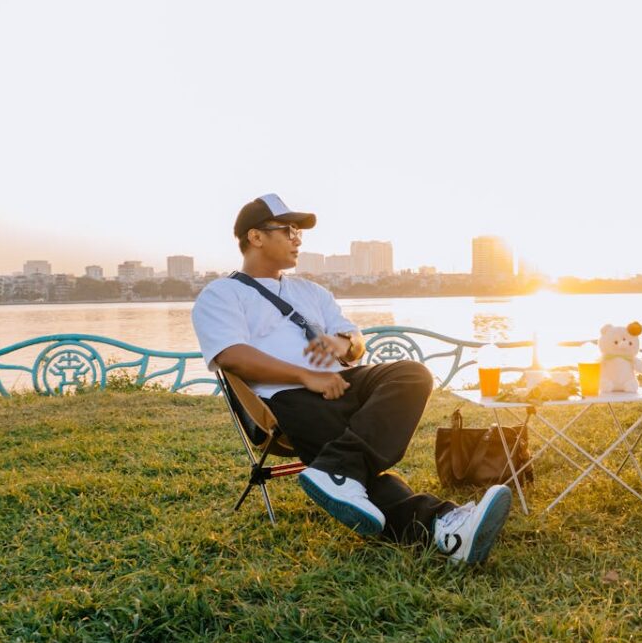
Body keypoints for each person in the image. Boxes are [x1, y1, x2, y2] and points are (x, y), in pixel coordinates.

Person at [192, 193, 512, 565]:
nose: (298, 237)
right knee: (352, 465)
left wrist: (342, 343)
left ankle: (338, 470)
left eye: (300, 231)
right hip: (288, 401)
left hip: (344, 384)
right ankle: (445, 525)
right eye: (289, 229)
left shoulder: (311, 291)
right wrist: (306, 376)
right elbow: (231, 355)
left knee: (412, 374)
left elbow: (356, 341)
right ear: (256, 237)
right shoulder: (221, 295)